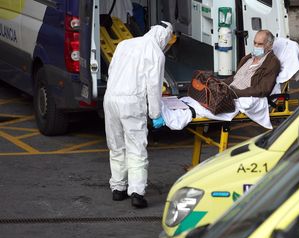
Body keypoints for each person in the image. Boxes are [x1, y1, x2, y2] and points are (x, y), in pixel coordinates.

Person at [104, 22, 173, 208]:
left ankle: (118, 189)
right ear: (163, 37)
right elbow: (154, 87)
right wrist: (156, 114)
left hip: (110, 99)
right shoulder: (156, 53)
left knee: (116, 146)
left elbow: (111, 71)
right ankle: (137, 193)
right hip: (132, 103)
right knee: (136, 148)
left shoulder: (124, 44)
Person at [155, 29, 281, 130]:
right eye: (255, 43)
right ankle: (167, 109)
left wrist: (233, 93)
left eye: (260, 44)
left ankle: (178, 114)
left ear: (269, 46)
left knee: (201, 105)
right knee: (198, 93)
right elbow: (235, 77)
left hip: (240, 94)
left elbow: (262, 90)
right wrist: (219, 83)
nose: (256, 46)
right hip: (230, 90)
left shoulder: (272, 63)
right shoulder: (248, 58)